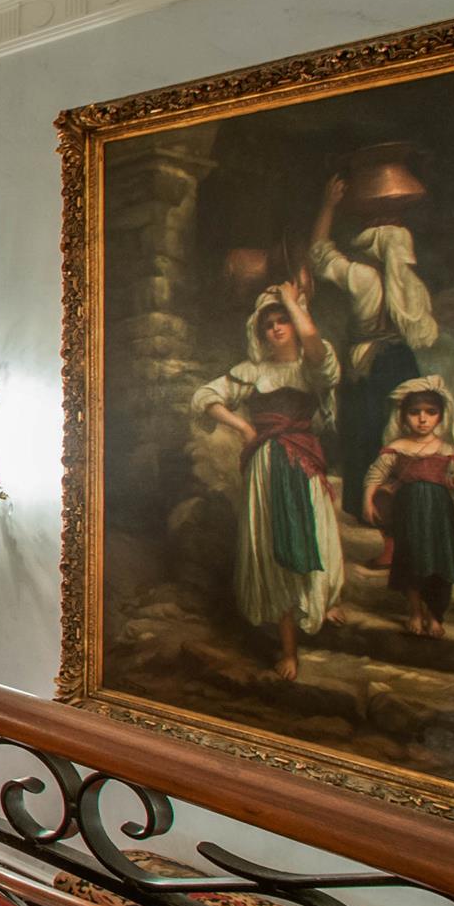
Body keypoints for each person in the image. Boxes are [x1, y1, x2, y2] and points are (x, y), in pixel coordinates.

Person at [308, 144, 454, 565]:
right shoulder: (410, 287)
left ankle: (394, 545)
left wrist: (328, 206)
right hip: (402, 364)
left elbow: (319, 255)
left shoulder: (363, 275)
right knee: (400, 449)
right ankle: (402, 544)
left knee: (375, 450)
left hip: (370, 369)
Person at [192, 283, 346, 680]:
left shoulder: (311, 367)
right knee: (275, 549)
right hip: (267, 467)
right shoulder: (254, 371)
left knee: (318, 535)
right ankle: (289, 648)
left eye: (283, 320)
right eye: (269, 324)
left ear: (295, 323)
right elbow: (205, 396)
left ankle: (322, 601)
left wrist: (292, 301)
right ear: (260, 332)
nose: (276, 328)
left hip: (304, 461)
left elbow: (316, 348)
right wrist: (244, 426)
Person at [363, 377, 454, 639]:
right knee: (410, 560)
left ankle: (434, 615)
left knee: (439, 561)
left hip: (439, 514)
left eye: (430, 412)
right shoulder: (397, 447)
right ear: (403, 416)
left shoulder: (447, 449)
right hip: (408, 511)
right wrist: (367, 500)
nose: (423, 419)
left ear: (440, 416)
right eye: (415, 412)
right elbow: (375, 474)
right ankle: (415, 611)